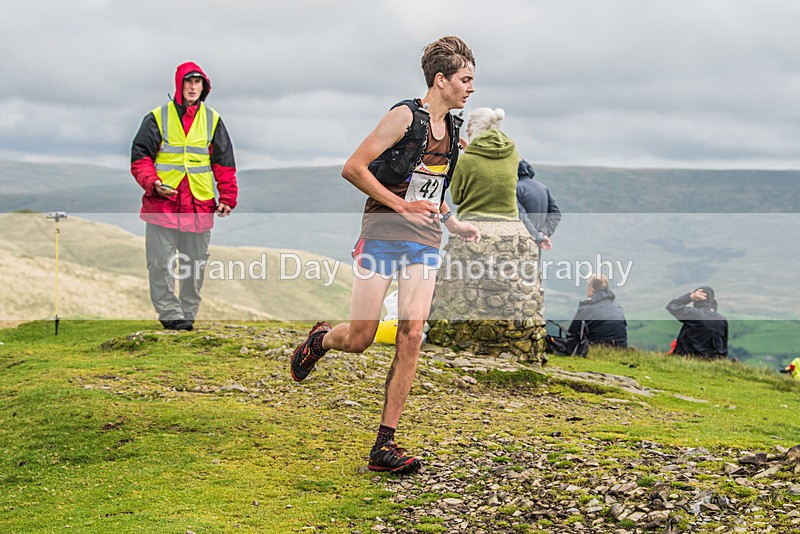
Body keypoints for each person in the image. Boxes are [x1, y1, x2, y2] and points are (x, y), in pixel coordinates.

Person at [290, 36, 480, 475]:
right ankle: (321, 339)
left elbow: (431, 187)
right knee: (360, 338)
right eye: (465, 80)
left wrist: (451, 222)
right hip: (382, 232)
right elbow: (353, 167)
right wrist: (400, 207)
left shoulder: (452, 129)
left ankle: (384, 445)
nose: (471, 89)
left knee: (412, 333)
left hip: (424, 239)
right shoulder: (403, 117)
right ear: (441, 80)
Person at [131, 62, 238, 331]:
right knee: (160, 264)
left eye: (198, 83)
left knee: (194, 266)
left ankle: (187, 315)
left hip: (199, 205)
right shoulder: (156, 117)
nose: (193, 87)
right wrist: (153, 183)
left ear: (204, 87)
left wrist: (227, 196)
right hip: (163, 203)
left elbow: (224, 163)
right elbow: (140, 158)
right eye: (188, 82)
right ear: (179, 84)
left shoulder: (212, 119)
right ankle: (171, 315)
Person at [449, 107, 520, 221]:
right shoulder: (513, 155)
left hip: (474, 221)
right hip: (510, 220)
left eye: (468, 128)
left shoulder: (465, 161)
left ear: (473, 129)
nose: (467, 132)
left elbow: (456, 198)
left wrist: (467, 155)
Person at [666, 286, 728, 358]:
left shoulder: (694, 314)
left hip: (689, 358)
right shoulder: (722, 320)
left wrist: (690, 297)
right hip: (714, 361)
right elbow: (724, 346)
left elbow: (672, 306)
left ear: (697, 299)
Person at [568, 275, 627, 347]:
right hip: (621, 349)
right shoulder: (617, 307)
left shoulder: (586, 308)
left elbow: (571, 333)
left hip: (597, 349)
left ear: (591, 288)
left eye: (588, 286)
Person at [516, 160, 561, 250]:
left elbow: (521, 216)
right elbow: (556, 213)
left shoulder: (516, 188)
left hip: (521, 243)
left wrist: (536, 236)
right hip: (537, 244)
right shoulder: (543, 188)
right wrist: (542, 233)